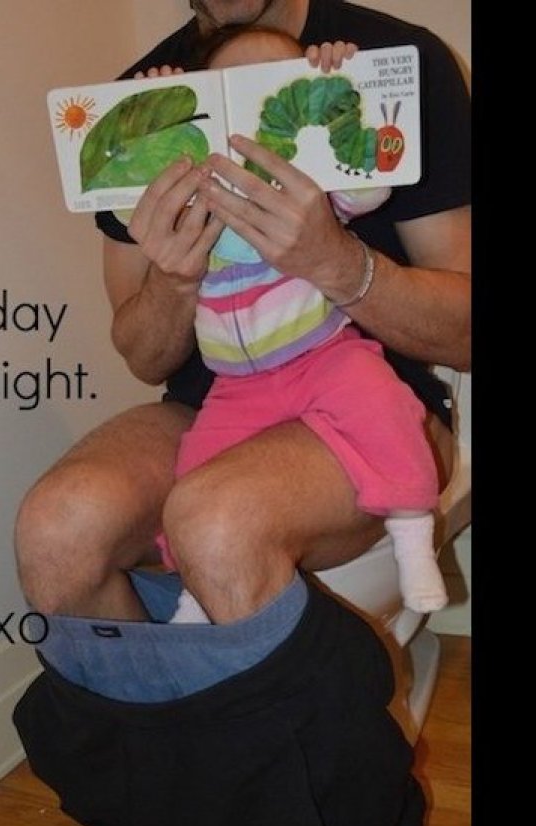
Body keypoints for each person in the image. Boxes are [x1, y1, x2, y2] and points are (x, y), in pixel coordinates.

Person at [13, 1, 470, 826]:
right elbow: (142, 355)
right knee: (57, 527)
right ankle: (139, 812)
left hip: (368, 394)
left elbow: (468, 326)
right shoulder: (139, 105)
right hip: (217, 393)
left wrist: (336, 260)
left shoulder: (391, 60)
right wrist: (173, 280)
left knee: (219, 522)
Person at [152, 26, 447, 623]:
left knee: (384, 410)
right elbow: (133, 198)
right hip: (237, 385)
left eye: (279, 85)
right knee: (193, 475)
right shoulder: (196, 201)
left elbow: (372, 184)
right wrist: (161, 120)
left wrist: (340, 95)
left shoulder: (314, 192)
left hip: (323, 356)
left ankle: (413, 531)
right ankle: (192, 590)